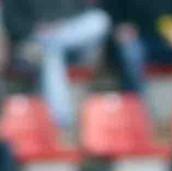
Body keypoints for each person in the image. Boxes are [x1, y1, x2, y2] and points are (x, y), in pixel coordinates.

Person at [1, 0, 111, 130]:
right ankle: (63, 123)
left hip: (69, 38)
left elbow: (82, 11)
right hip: (36, 43)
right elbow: (13, 23)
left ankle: (54, 41)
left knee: (99, 20)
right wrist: (38, 29)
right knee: (51, 54)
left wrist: (60, 26)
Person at [103, 0, 172, 97]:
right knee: (131, 54)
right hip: (140, 41)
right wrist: (120, 28)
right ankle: (136, 107)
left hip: (169, 42)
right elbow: (112, 17)